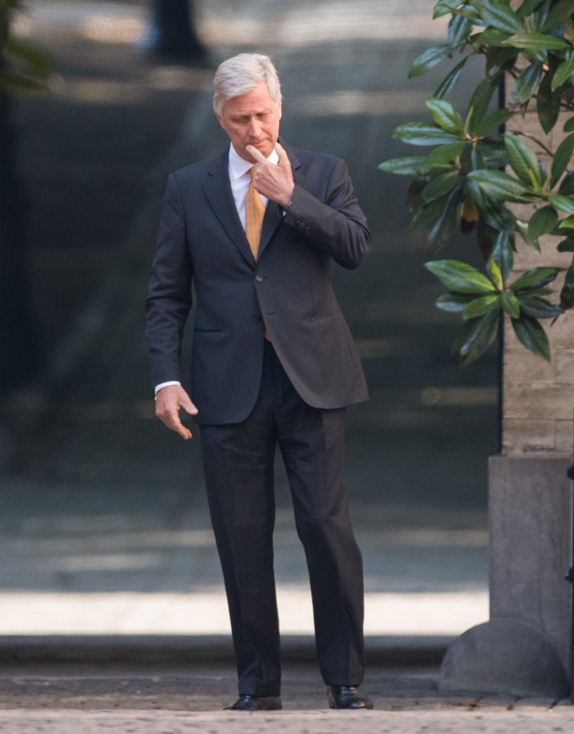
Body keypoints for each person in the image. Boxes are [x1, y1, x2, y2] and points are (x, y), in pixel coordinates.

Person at [145, 53, 372, 712]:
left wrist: (291, 199)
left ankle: (343, 678)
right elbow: (166, 295)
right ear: (222, 118)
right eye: (241, 119)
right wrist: (166, 378)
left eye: (264, 114)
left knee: (326, 528)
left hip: (313, 380)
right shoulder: (189, 188)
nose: (255, 129)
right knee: (241, 534)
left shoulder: (325, 173)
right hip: (227, 385)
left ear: (280, 108)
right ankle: (257, 684)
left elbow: (356, 248)